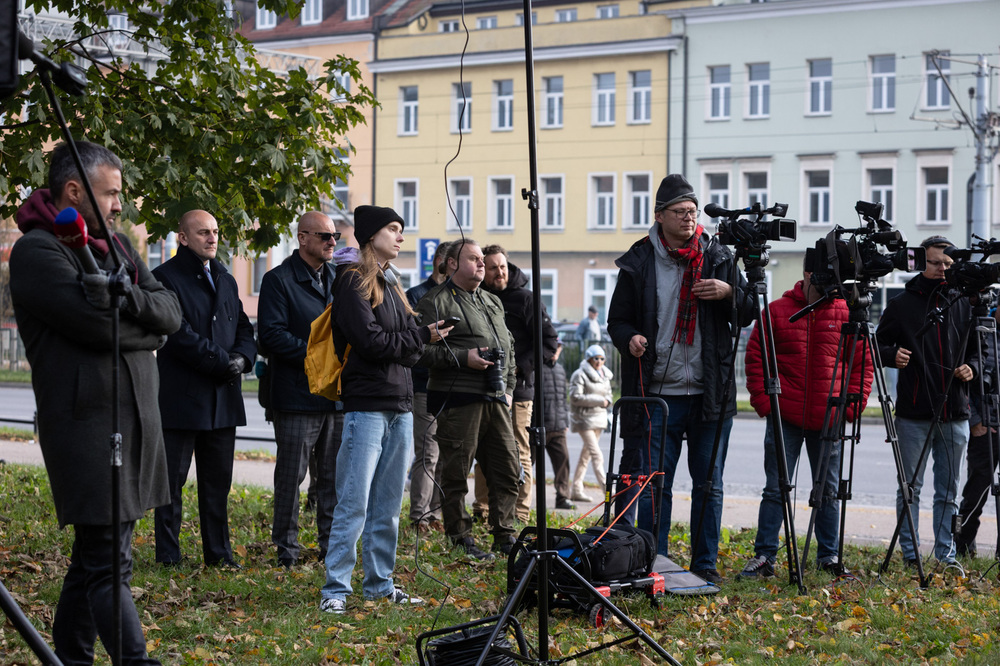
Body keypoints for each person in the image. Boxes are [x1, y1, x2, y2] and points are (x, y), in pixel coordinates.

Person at [9, 141, 182, 664]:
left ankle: (71, 658)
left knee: (94, 561)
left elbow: (170, 309)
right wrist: (149, 334)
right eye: (110, 195)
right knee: (109, 563)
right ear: (73, 191)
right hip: (87, 427)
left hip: (135, 422)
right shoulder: (39, 252)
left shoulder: (120, 247)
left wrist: (132, 302)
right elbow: (95, 326)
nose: (117, 206)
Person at [607, 174, 754, 585]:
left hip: (710, 393)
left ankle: (704, 565)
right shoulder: (638, 259)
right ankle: (657, 563)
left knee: (709, 485)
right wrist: (630, 338)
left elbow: (749, 311)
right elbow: (616, 321)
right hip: (657, 395)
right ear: (659, 216)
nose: (689, 218)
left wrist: (729, 293)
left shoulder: (718, 256)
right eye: (680, 212)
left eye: (693, 211)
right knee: (656, 486)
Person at [320, 205, 449, 614]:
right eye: (393, 229)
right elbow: (371, 342)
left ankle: (379, 584)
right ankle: (335, 590)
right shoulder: (352, 281)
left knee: (389, 504)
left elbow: (405, 350)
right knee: (354, 501)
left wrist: (417, 338)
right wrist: (419, 336)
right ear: (371, 234)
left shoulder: (391, 283)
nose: (400, 237)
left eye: (402, 230)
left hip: (400, 404)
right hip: (366, 406)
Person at [740, 268, 872, 579]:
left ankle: (828, 556)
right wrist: (764, 403)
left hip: (830, 416)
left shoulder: (847, 313)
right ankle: (765, 556)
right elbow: (756, 356)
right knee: (775, 489)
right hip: (784, 415)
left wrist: (851, 407)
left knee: (827, 490)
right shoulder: (777, 311)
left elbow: (862, 363)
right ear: (807, 274)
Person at [152, 210, 256, 568]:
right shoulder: (163, 278)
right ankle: (168, 556)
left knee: (217, 486)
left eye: (214, 232)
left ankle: (219, 555)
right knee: (171, 485)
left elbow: (244, 326)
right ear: (182, 237)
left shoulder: (225, 279)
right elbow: (177, 334)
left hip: (222, 398)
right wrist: (220, 361)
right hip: (182, 398)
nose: (212, 238)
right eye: (202, 233)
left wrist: (242, 358)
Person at [415, 239, 520, 561]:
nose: (481, 265)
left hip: (496, 397)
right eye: (473, 259)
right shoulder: (434, 302)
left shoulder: (492, 300)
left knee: (507, 469)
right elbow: (419, 351)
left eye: (481, 260)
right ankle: (460, 537)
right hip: (458, 398)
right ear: (451, 264)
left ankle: (505, 535)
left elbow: (509, 348)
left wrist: (509, 388)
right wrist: (464, 357)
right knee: (456, 472)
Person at [876, 236, 977, 568]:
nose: (943, 269)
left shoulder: (963, 302)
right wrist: (892, 354)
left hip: (956, 412)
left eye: (948, 263)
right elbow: (875, 346)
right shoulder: (902, 304)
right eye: (936, 262)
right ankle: (910, 554)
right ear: (921, 262)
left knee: (948, 491)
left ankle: (946, 555)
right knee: (910, 489)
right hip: (914, 413)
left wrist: (972, 367)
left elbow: (980, 350)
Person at [257, 211, 343, 567]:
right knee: (291, 479)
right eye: (324, 236)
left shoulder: (338, 278)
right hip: (296, 395)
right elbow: (272, 336)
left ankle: (329, 549)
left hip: (334, 397)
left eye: (335, 235)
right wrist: (319, 358)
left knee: (331, 480)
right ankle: (286, 551)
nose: (332, 242)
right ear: (302, 237)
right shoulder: (278, 280)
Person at [480, 245, 559, 523]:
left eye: (502, 266)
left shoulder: (526, 299)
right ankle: (483, 509)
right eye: (492, 267)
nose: (499, 272)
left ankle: (521, 514)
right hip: (482, 385)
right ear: (482, 269)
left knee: (519, 450)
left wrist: (518, 369)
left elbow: (549, 343)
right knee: (483, 449)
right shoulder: (477, 298)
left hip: (520, 390)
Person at [405, 240, 453, 532]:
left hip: (451, 384)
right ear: (440, 261)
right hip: (424, 385)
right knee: (428, 451)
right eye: (451, 261)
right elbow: (412, 342)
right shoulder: (416, 296)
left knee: (444, 451)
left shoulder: (457, 296)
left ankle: (434, 514)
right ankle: (419, 515)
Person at [955, 308, 999, 558]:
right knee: (975, 493)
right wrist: (976, 421)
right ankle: (961, 548)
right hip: (984, 429)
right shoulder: (980, 330)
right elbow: (966, 380)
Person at [569, 344, 613, 503]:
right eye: (596, 358)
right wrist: (600, 401)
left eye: (602, 358)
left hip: (599, 419)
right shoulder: (579, 375)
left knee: (585, 457)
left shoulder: (605, 374)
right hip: (584, 419)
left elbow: (608, 394)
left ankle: (576, 489)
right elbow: (575, 397)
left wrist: (607, 401)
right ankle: (608, 491)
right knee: (597, 455)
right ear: (589, 358)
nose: (599, 361)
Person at [541, 343, 576, 511]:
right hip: (538, 427)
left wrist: (565, 423)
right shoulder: (535, 367)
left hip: (559, 427)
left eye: (558, 348)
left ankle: (562, 498)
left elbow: (563, 398)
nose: (554, 351)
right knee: (525, 464)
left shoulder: (561, 370)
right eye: (552, 347)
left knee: (563, 462)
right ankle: (518, 501)